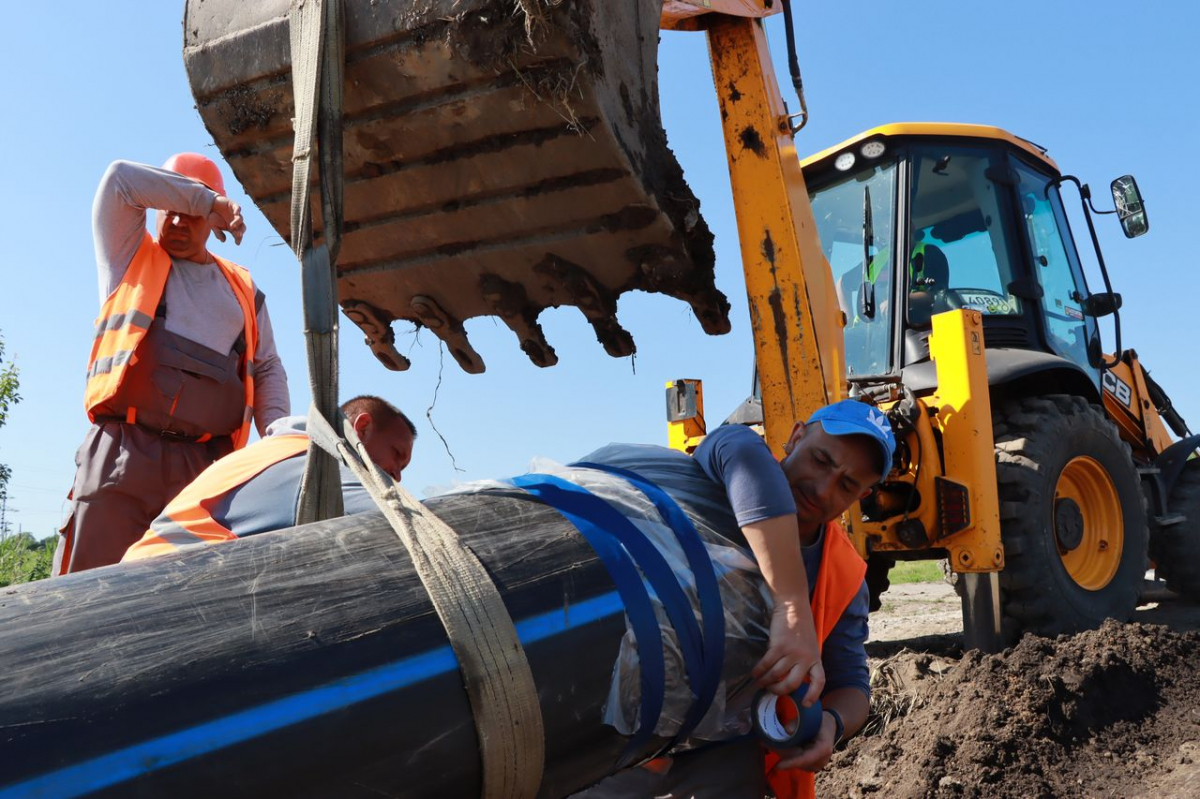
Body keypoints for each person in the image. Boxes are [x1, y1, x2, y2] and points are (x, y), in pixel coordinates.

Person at [577, 399, 895, 799]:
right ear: (795, 437)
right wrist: (792, 610)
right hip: (620, 738)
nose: (822, 487)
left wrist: (831, 722)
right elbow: (740, 448)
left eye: (847, 485)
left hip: (724, 752)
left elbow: (851, 682)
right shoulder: (724, 482)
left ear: (863, 495)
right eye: (820, 460)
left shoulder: (842, 573)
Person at [55, 155, 290, 574]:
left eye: (193, 216)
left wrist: (277, 440)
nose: (179, 223)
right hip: (123, 457)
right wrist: (205, 201)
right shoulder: (128, 256)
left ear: (213, 226)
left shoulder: (243, 291)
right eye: (173, 211)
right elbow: (120, 180)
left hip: (203, 471)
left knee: (185, 605)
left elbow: (267, 366)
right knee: (88, 592)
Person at [122, 395, 416, 561]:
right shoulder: (313, 464)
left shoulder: (280, 450)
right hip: (160, 586)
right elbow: (410, 525)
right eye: (396, 454)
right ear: (361, 428)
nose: (397, 475)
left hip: (145, 579)